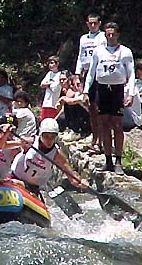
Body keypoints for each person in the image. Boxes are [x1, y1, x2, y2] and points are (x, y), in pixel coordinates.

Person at [83, 22, 135, 175]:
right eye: (108, 34)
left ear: (118, 34)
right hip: (102, 89)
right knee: (104, 124)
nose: (110, 37)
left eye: (113, 34)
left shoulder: (125, 52)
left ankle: (118, 160)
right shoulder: (98, 51)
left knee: (117, 125)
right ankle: (108, 161)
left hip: (117, 90)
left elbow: (131, 74)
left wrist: (130, 93)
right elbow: (91, 73)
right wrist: (86, 91)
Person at [10, 118, 88, 195]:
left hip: (32, 188)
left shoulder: (57, 155)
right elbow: (3, 145)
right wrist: (7, 133)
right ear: (40, 134)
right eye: (46, 136)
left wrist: (81, 183)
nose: (49, 140)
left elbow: (72, 177)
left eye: (52, 136)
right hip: (14, 178)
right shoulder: (30, 142)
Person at [75, 14, 107, 153]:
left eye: (95, 23)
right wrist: (77, 74)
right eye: (90, 23)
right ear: (87, 24)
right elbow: (80, 56)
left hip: (100, 73)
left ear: (99, 23)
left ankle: (102, 140)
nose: (93, 26)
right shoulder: (83, 38)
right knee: (92, 108)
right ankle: (94, 139)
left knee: (100, 109)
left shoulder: (103, 37)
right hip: (87, 73)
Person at [56, 75, 90, 142]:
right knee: (67, 105)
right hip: (84, 119)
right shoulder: (77, 93)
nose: (73, 86)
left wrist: (62, 99)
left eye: (78, 84)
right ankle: (73, 130)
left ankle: (79, 131)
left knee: (71, 104)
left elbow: (71, 101)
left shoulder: (85, 95)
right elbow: (59, 107)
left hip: (90, 121)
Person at [40, 56, 62, 121]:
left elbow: (54, 88)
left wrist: (48, 84)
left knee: (51, 122)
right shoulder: (49, 74)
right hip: (46, 103)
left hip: (53, 104)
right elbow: (42, 85)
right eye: (49, 63)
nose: (50, 65)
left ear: (57, 64)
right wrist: (50, 84)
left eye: (52, 63)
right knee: (43, 121)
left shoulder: (60, 75)